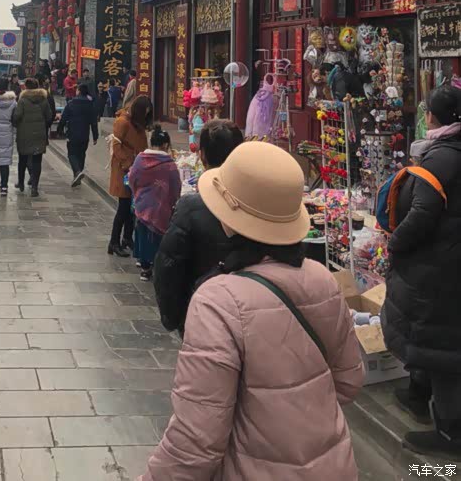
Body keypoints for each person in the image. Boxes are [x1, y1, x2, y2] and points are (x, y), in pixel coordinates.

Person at [140, 141, 364, 481]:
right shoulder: (323, 279)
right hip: (334, 466)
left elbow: (196, 440)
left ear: (229, 218)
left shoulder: (217, 300)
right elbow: (349, 381)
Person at [382, 85, 461, 455]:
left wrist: (395, 244)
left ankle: (450, 434)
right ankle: (418, 393)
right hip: (445, 262)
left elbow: (422, 214)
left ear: (433, 117)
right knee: (435, 340)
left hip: (439, 268)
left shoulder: (440, 158)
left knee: (440, 344)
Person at [154, 119, 245, 333]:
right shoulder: (258, 203)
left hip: (202, 314)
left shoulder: (190, 207)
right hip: (251, 312)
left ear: (202, 155)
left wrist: (175, 318)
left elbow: (169, 266)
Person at [128, 124, 181, 281]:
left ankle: (144, 266)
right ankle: (155, 264)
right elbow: (176, 186)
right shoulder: (169, 165)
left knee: (142, 233)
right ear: (165, 145)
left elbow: (132, 178)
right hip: (161, 206)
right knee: (157, 237)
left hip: (142, 203)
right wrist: (173, 200)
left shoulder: (140, 159)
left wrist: (137, 193)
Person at [108, 95, 152, 256]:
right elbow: (116, 146)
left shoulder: (137, 124)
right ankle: (114, 242)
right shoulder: (123, 122)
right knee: (124, 207)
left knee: (131, 208)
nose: (146, 116)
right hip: (124, 170)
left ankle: (127, 238)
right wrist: (128, 163)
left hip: (136, 168)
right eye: (145, 113)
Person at [13, 78, 52, 197]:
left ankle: (21, 183)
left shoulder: (22, 100)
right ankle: (34, 187)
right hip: (39, 134)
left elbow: (17, 116)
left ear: (26, 87)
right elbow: (49, 117)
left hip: (24, 134)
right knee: (37, 161)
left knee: (22, 159)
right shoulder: (44, 100)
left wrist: (15, 124)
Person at [58, 82, 99, 187]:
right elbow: (94, 122)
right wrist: (95, 136)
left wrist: (59, 130)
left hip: (73, 133)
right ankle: (77, 176)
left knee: (72, 154)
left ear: (79, 91)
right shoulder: (90, 105)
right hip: (85, 134)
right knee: (81, 154)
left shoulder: (71, 103)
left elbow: (63, 119)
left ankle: (77, 172)